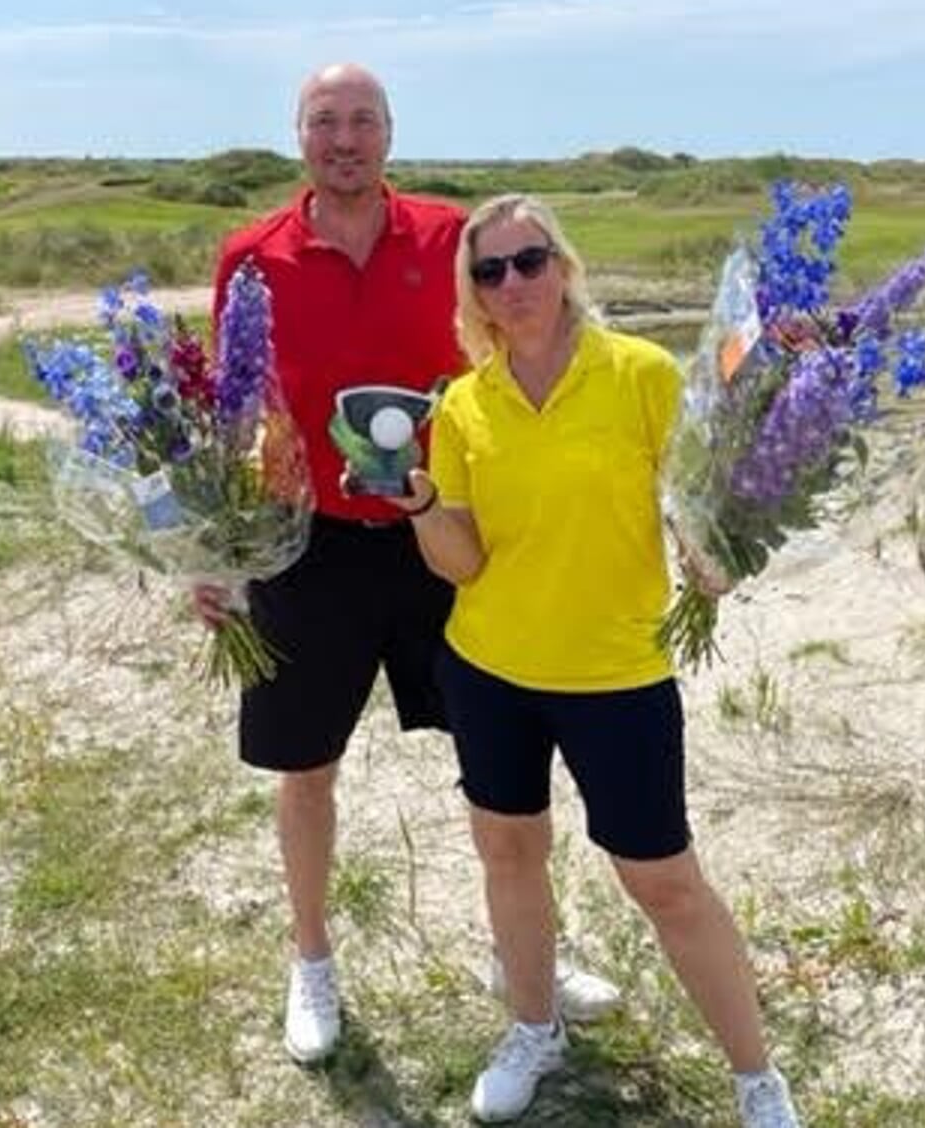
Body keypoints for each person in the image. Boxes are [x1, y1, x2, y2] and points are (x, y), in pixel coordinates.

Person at [198, 64, 619, 1068]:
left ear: (390, 134)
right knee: (306, 769)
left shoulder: (451, 237)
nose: (345, 138)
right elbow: (228, 408)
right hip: (308, 546)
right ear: (299, 136)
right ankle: (311, 964)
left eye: (363, 122)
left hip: (447, 537)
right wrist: (214, 554)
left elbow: (531, 354)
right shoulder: (251, 257)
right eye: (325, 122)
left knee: (501, 771)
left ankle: (527, 965)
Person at [391, 193, 803, 1127]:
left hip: (617, 676)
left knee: (663, 880)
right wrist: (420, 505)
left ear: (564, 266)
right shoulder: (463, 404)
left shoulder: (645, 375)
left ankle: (755, 1077)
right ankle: (535, 1028)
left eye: (528, 261)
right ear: (475, 295)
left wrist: (717, 558)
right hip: (489, 669)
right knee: (508, 851)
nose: (513, 284)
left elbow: (700, 502)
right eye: (488, 272)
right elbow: (465, 562)